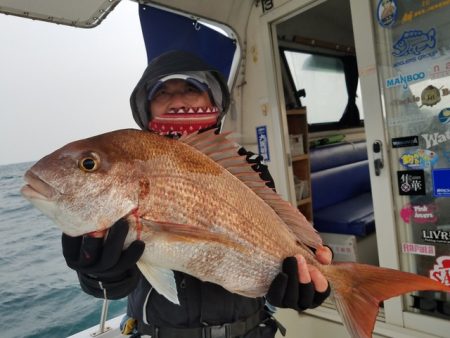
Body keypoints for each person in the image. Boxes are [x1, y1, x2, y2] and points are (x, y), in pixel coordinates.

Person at [62, 50, 332, 338]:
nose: (177, 100)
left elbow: (277, 241)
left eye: (191, 88)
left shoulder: (247, 168)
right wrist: (98, 274)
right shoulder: (128, 173)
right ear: (148, 107)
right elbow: (113, 285)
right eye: (162, 92)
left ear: (213, 99)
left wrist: (301, 286)